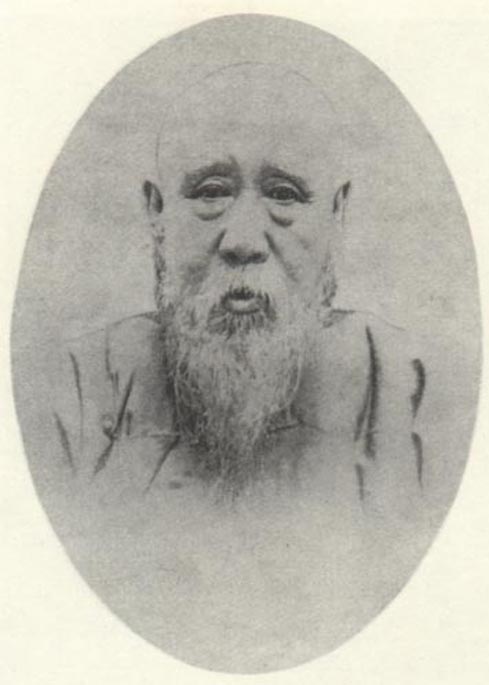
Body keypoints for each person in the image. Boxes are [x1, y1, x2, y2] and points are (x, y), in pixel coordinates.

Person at [51, 63, 425, 509]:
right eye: (211, 193)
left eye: (284, 195)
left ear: (336, 212)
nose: (243, 242)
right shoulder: (75, 392)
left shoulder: (406, 389)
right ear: (157, 211)